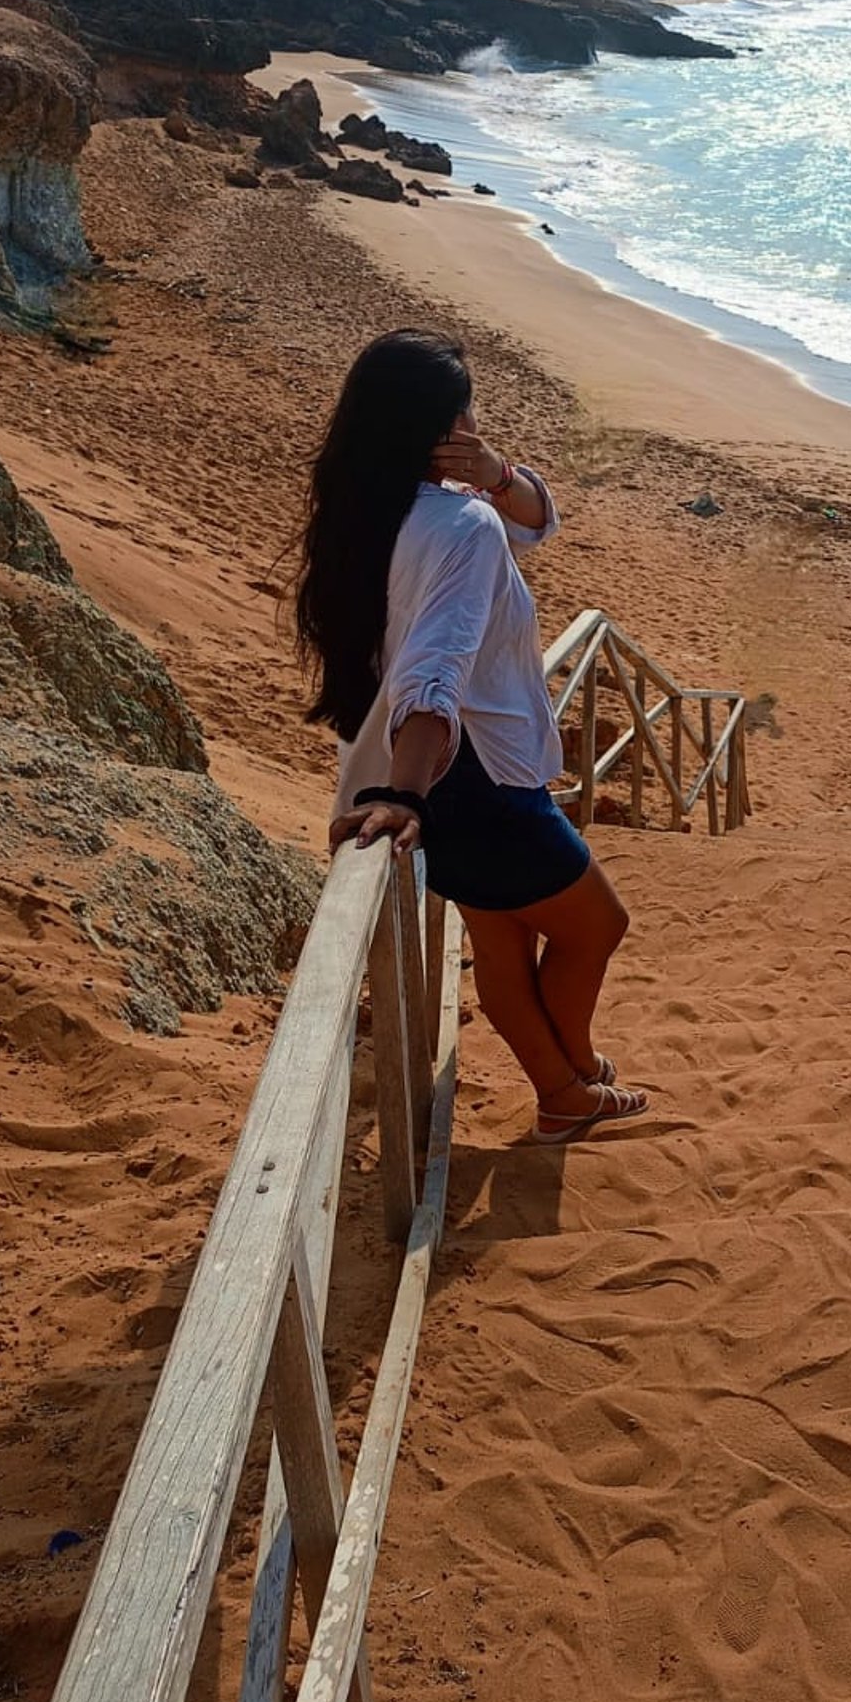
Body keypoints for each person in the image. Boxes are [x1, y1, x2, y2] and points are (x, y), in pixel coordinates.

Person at [294, 327, 645, 1143]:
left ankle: (569, 1086)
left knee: (504, 932)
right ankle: (570, 1082)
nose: (475, 423)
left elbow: (534, 521)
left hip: (442, 765)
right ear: (438, 429)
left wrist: (499, 475)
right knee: (597, 925)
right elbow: (436, 668)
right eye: (466, 413)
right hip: (473, 772)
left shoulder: (364, 508)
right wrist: (404, 794)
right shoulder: (461, 529)